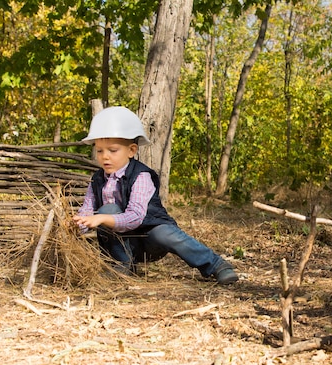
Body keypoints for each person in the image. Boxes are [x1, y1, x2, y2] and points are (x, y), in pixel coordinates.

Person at [73, 106, 239, 285]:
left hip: (149, 241)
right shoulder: (98, 179)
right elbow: (87, 209)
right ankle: (120, 268)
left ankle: (216, 265)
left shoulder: (141, 176)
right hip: (122, 247)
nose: (105, 156)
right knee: (107, 210)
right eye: (99, 150)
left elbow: (136, 217)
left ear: (132, 150)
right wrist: (79, 223)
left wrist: (101, 218)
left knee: (164, 232)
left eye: (112, 150)